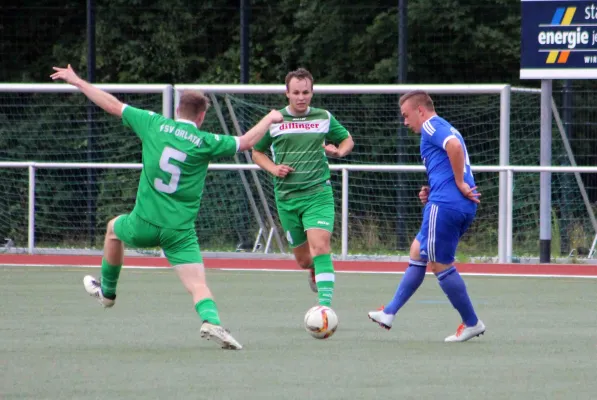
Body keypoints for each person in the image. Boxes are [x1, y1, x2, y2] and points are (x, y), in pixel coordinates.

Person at [51, 64, 283, 350]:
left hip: (143, 224)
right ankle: (210, 320)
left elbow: (112, 104)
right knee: (198, 285)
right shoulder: (206, 141)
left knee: (113, 229)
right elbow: (248, 141)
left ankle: (108, 294)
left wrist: (77, 81)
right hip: (179, 232)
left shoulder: (153, 123)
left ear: (177, 111)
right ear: (201, 116)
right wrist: (270, 117)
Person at [367, 90, 486, 342]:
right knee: (417, 250)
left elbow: (453, 148)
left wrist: (457, 184)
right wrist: (435, 188)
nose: (405, 122)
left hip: (446, 205)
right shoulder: (444, 127)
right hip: (453, 203)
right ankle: (389, 312)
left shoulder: (431, 124)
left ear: (420, 110)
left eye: (406, 115)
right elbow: (450, 157)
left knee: (439, 265)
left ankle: (472, 322)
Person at [251, 68, 354, 308]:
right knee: (304, 259)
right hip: (287, 198)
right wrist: (274, 169)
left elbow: (347, 140)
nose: (301, 97)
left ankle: (325, 308)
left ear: (312, 92)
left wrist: (339, 151)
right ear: (287, 93)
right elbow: (256, 152)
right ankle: (313, 270)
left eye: (305, 92)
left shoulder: (323, 117)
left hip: (318, 193)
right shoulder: (275, 120)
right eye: (296, 92)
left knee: (320, 247)